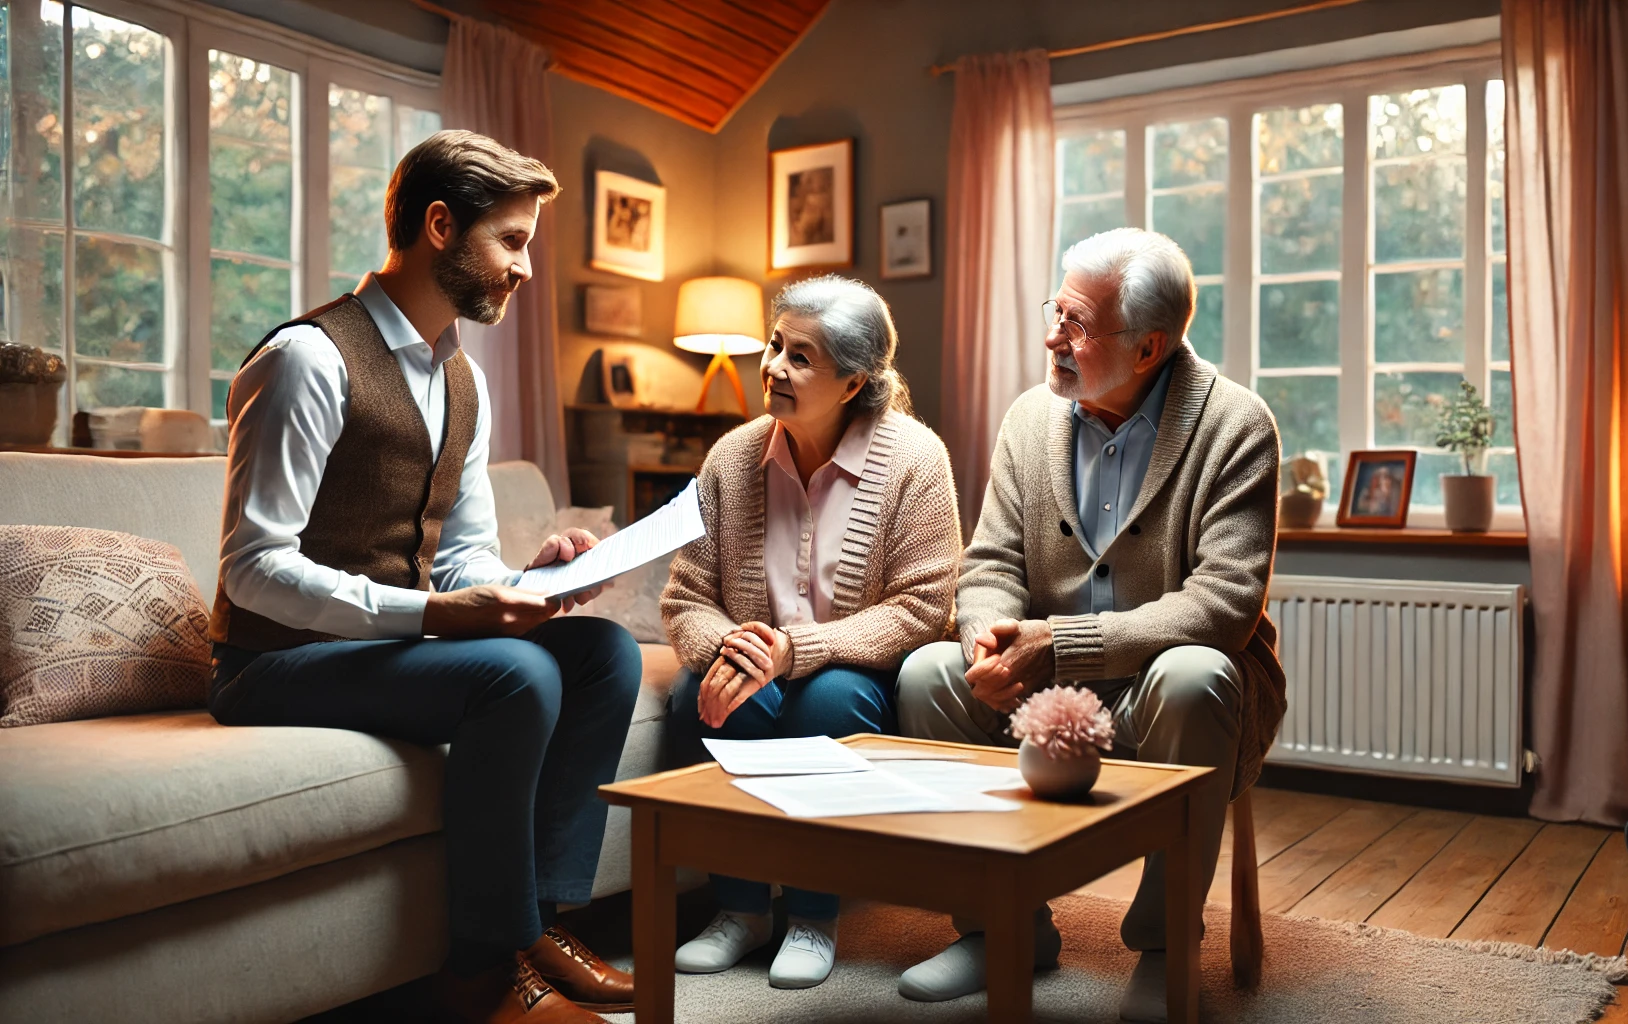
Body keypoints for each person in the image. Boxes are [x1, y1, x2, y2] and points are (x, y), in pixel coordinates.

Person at [207, 131, 639, 1024]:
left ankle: (540, 925)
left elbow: (464, 555)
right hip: (270, 663)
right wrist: (439, 615)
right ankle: (483, 975)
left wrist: (533, 576)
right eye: (511, 241)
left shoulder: (462, 381)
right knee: (513, 675)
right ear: (440, 226)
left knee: (603, 654)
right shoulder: (307, 360)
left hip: (383, 644)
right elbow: (251, 569)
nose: (524, 268)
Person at [895, 228, 1288, 1022]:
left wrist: (1060, 644)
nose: (1053, 337)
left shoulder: (1238, 426)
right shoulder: (1029, 419)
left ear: (1147, 349)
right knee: (925, 673)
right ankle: (997, 926)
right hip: (1041, 681)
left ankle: (1165, 944)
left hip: (1164, 683)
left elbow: (1224, 605)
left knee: (1197, 673)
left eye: (1075, 323)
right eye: (1056, 311)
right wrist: (991, 637)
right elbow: (992, 562)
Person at [660, 275, 961, 990]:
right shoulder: (732, 459)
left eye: (801, 357)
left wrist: (797, 650)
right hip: (752, 657)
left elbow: (923, 608)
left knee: (829, 705)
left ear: (854, 383)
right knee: (704, 694)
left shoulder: (916, 460)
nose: (773, 367)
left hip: (856, 668)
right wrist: (728, 649)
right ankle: (739, 910)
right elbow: (687, 595)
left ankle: (812, 916)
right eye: (774, 345)